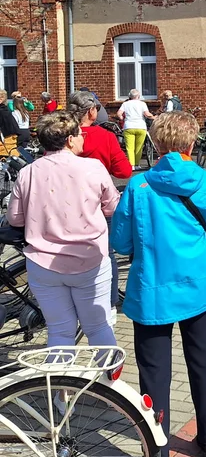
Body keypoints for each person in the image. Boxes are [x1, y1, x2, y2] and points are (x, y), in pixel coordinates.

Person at [111, 111, 206, 457]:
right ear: (191, 143)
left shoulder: (139, 185)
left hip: (152, 290)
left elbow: (121, 242)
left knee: (154, 374)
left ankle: (157, 447)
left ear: (156, 144)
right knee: (205, 363)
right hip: (198, 287)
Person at [7, 111, 119, 348]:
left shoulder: (28, 172)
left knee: (59, 332)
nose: (83, 139)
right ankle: (109, 381)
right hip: (89, 260)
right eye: (80, 134)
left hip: (43, 264)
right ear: (69, 139)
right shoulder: (93, 167)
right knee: (98, 327)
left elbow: (15, 219)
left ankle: (59, 384)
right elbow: (112, 208)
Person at [69, 90, 131, 324]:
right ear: (92, 112)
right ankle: (110, 303)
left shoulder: (62, 135)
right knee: (106, 254)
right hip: (97, 205)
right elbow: (124, 171)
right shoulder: (105, 137)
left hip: (66, 206)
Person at [117, 89, 154, 171]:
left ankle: (131, 165)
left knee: (130, 147)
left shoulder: (125, 104)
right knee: (139, 147)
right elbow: (147, 114)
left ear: (129, 96)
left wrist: (121, 117)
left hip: (129, 126)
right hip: (141, 126)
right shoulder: (142, 104)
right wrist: (154, 117)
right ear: (138, 96)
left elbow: (119, 113)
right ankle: (137, 164)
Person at [0, 89, 21, 156]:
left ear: (1, 99)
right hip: (10, 140)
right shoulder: (6, 110)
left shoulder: (2, 111)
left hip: (5, 143)